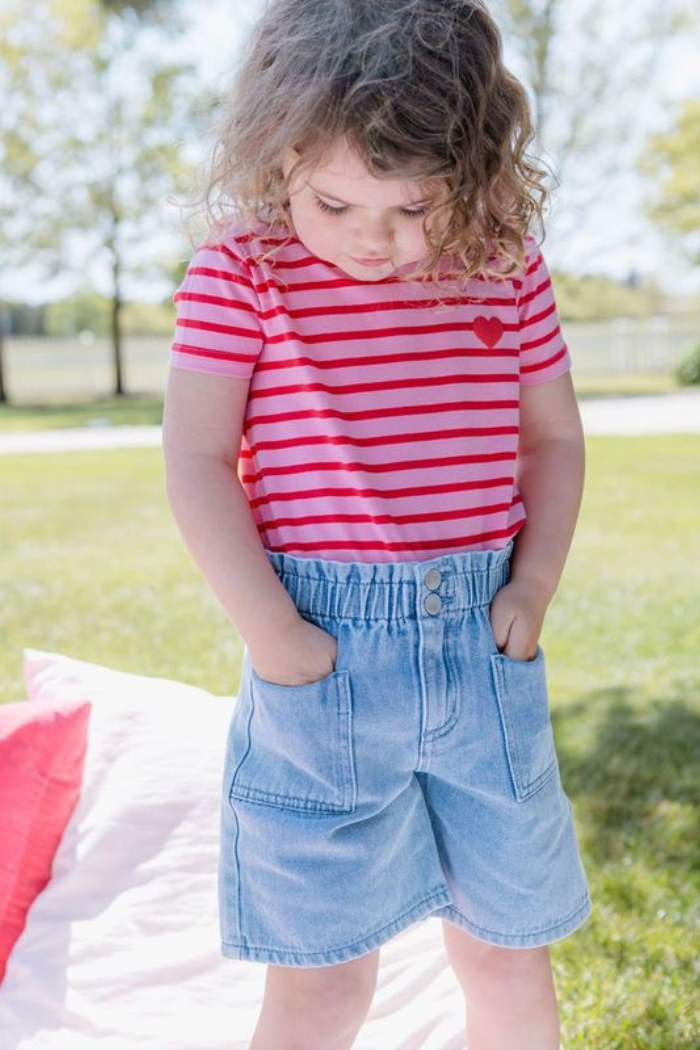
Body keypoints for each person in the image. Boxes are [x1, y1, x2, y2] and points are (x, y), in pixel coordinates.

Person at [161, 1, 592, 1047]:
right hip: (320, 659)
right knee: (320, 972)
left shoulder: (505, 265)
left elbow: (553, 443)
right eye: (336, 203)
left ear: (472, 170)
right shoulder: (243, 275)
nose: (373, 239)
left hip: (482, 648)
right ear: (280, 156)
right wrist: (273, 633)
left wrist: (529, 589)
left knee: (504, 949)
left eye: (413, 208)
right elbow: (196, 459)